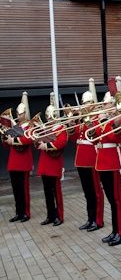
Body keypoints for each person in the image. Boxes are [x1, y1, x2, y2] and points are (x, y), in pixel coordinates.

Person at [67, 81, 104, 231]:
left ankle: (98, 220)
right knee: (87, 192)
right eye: (83, 103)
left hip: (91, 159)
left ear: (93, 104)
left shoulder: (94, 120)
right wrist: (70, 123)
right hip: (81, 160)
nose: (84, 106)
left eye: (87, 103)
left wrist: (87, 122)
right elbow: (74, 137)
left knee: (96, 192)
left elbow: (96, 137)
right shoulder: (81, 121)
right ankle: (90, 218)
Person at [92, 91, 121, 246]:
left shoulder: (120, 119)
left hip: (113, 161)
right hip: (102, 162)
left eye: (105, 104)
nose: (103, 106)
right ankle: (114, 230)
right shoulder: (103, 119)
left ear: (114, 105)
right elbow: (93, 137)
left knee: (117, 200)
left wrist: (105, 121)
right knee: (111, 200)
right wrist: (95, 122)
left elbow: (114, 137)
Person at [36, 97, 68, 226]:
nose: (48, 118)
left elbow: (60, 143)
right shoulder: (45, 128)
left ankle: (59, 216)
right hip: (45, 163)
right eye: (47, 116)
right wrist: (38, 142)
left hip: (54, 163)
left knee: (56, 192)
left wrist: (46, 146)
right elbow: (37, 141)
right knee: (47, 192)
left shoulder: (61, 128)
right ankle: (50, 215)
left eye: (50, 116)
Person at [3, 93, 32, 223]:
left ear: (25, 113)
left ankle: (26, 212)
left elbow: (28, 140)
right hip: (14, 161)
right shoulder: (15, 127)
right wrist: (4, 137)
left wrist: (13, 140)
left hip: (23, 161)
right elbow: (7, 144)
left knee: (24, 189)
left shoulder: (30, 126)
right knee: (16, 189)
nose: (18, 116)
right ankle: (18, 212)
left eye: (21, 113)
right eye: (18, 113)